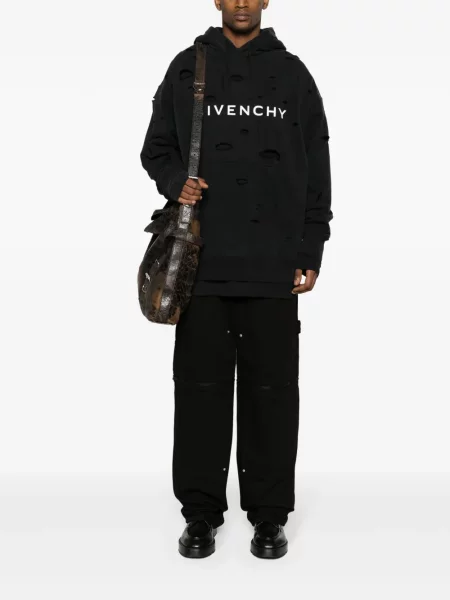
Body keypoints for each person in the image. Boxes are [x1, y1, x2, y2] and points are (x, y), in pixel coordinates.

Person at [140, 0, 332, 560]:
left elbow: (317, 164)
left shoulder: (293, 74)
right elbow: (156, 148)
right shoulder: (187, 67)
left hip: (274, 263)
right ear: (218, 1)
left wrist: (311, 246)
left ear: (266, 0)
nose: (242, 2)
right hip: (202, 263)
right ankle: (200, 514)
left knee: (273, 394)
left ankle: (269, 516)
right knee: (199, 392)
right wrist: (175, 182)